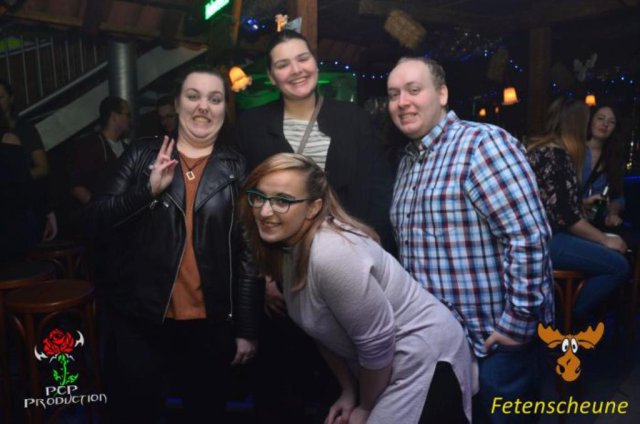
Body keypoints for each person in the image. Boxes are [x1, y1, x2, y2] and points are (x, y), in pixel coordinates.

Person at [240, 153, 475, 424]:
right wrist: (349, 391)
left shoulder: (331, 254)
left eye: (282, 201)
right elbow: (320, 330)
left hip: (421, 359)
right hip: (383, 366)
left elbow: (377, 344)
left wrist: (365, 406)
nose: (264, 211)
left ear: (314, 208)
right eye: (259, 197)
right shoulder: (288, 248)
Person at [84, 66, 262, 423]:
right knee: (137, 413)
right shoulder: (141, 155)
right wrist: (146, 191)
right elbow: (95, 220)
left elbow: (248, 256)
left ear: (224, 109)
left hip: (209, 325)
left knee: (205, 413)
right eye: (193, 96)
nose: (203, 106)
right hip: (141, 322)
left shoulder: (236, 168)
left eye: (215, 99)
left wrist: (246, 328)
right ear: (178, 105)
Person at [235, 29, 396, 421]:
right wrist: (264, 274)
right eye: (283, 64)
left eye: (302, 58)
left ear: (315, 63)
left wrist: (368, 256)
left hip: (344, 268)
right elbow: (247, 208)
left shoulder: (352, 118)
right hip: (282, 276)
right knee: (283, 386)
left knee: (344, 376)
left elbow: (378, 189)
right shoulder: (252, 126)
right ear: (271, 76)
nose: (296, 70)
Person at [387, 57, 554, 423]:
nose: (402, 102)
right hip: (442, 347)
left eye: (414, 90)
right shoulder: (408, 161)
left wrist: (518, 324)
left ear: (442, 94)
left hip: (493, 345)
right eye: (394, 94)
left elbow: (528, 237)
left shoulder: (482, 144)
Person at [527, 98, 629, 327]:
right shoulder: (558, 156)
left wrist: (582, 205)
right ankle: (567, 318)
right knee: (619, 266)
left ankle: (565, 315)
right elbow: (569, 219)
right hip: (547, 241)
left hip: (538, 238)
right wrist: (604, 240)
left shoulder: (545, 149)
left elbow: (554, 206)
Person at [0, 78, 55, 243]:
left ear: (11, 98)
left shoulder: (24, 129)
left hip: (23, 205)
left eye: (1, 97)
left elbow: (43, 168)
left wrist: (14, 178)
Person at [70, 96, 131, 205]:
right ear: (114, 117)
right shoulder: (91, 145)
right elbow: (77, 185)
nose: (130, 119)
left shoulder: (127, 148)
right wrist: (100, 208)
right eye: (127, 115)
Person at [582, 104, 627, 228]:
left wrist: (612, 214)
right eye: (600, 118)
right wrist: (584, 203)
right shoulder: (575, 151)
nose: (605, 124)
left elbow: (618, 196)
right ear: (590, 121)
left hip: (597, 222)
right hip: (573, 221)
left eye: (611, 122)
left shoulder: (614, 157)